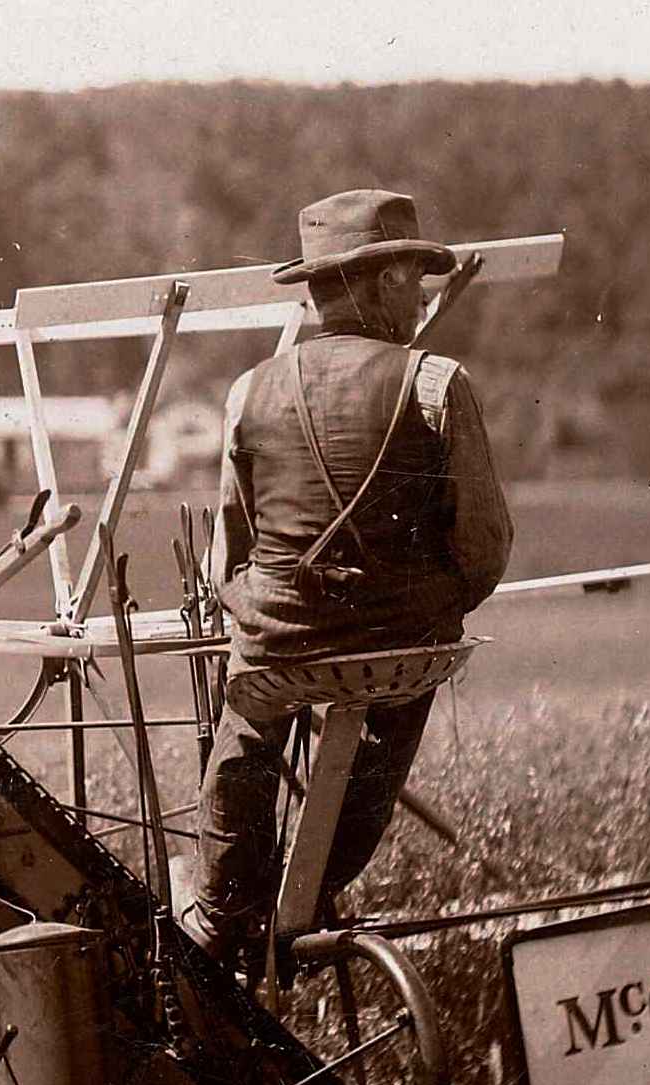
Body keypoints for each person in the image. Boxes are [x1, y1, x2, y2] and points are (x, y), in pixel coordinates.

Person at [179, 189, 514, 980]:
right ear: (384, 280)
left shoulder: (246, 391)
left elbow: (231, 548)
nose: (425, 293)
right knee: (387, 722)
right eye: (415, 276)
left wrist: (268, 613)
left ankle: (226, 909)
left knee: (248, 726)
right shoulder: (436, 382)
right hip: (401, 646)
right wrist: (429, 600)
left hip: (279, 646)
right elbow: (486, 544)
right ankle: (318, 889)